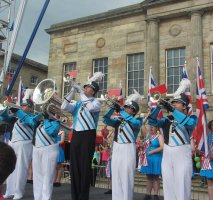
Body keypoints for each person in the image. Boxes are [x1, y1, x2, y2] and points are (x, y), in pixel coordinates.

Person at [148, 93, 197, 200]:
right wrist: (158, 107)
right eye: (173, 102)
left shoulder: (192, 117)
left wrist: (172, 110)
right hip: (167, 152)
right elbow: (151, 121)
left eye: (177, 102)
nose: (174, 104)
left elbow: (189, 124)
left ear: (184, 106)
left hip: (182, 151)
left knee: (182, 184)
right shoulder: (167, 118)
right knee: (168, 184)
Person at [61, 80, 102, 200]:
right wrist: (73, 90)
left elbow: (89, 107)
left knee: (84, 167)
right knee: (74, 167)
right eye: (84, 87)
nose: (85, 89)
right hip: (77, 135)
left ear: (93, 91)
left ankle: (83, 197)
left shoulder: (97, 102)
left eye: (88, 87)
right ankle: (75, 196)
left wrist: (80, 92)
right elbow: (63, 106)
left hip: (88, 135)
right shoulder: (78, 103)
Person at [103, 100, 143, 200]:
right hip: (117, 147)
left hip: (128, 148)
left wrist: (121, 111)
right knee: (116, 176)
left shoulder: (138, 120)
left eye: (129, 108)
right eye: (125, 107)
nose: (126, 109)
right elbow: (105, 119)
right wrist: (113, 107)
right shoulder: (118, 120)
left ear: (134, 111)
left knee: (126, 177)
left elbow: (134, 123)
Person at [3, 99, 42, 200]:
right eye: (21, 105)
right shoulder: (15, 117)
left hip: (25, 143)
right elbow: (3, 117)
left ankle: (18, 192)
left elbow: (31, 122)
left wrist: (18, 111)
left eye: (24, 105)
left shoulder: (34, 116)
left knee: (21, 168)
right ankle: (9, 191)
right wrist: (6, 108)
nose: (22, 107)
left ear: (30, 107)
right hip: (13, 143)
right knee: (10, 167)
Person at [140, 117, 164, 200]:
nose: (151, 128)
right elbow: (142, 124)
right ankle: (147, 194)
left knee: (156, 177)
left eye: (153, 127)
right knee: (149, 177)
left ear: (156, 128)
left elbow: (162, 147)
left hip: (156, 158)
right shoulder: (148, 135)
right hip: (148, 159)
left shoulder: (159, 136)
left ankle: (156, 195)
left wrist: (152, 151)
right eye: (150, 127)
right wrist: (149, 114)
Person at [200, 120, 213, 200]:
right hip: (208, 160)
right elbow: (204, 149)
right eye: (212, 125)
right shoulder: (208, 136)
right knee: (209, 182)